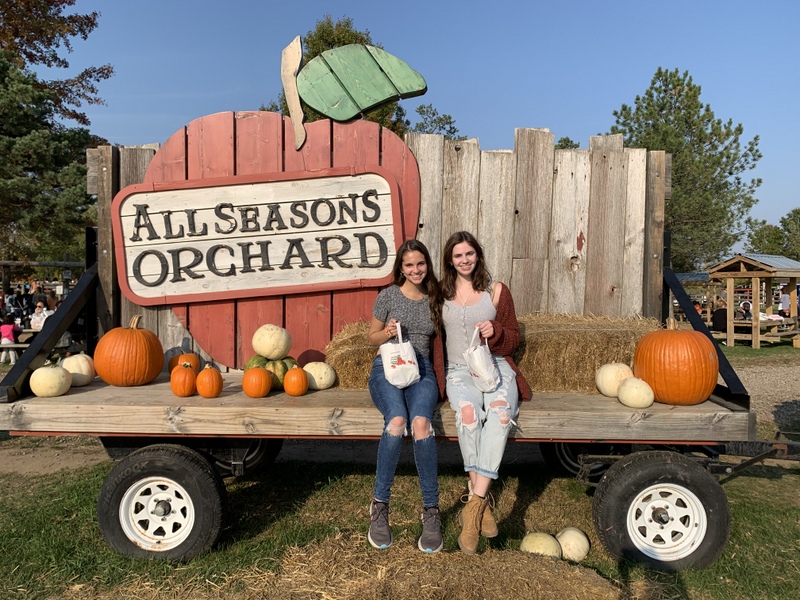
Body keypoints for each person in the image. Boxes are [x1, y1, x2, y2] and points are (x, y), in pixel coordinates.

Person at [433, 231, 531, 555]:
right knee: (469, 416)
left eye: (470, 254)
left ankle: (474, 504)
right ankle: (482, 500)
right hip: (459, 371)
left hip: (494, 366)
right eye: (458, 255)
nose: (465, 260)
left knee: (501, 414)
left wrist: (496, 330)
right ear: (450, 260)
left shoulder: (496, 291)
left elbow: (513, 337)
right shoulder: (440, 293)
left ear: (478, 255)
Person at [366, 239, 443, 553]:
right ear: (401, 267)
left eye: (420, 263)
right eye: (409, 265)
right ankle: (379, 506)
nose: (415, 270)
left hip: (421, 368)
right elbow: (371, 337)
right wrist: (387, 331)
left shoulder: (436, 298)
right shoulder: (388, 295)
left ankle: (431, 511)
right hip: (388, 365)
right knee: (397, 420)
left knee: (421, 423)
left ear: (427, 265)